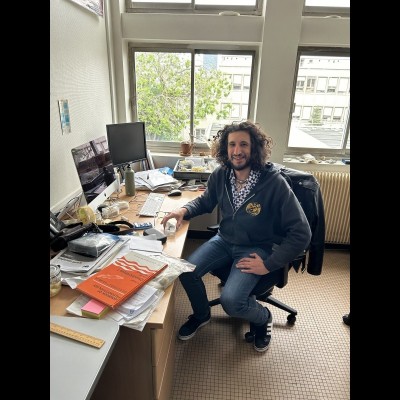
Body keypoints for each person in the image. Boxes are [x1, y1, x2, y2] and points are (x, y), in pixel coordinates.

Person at [161, 120, 311, 352]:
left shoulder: (274, 184)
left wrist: (269, 263)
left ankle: (263, 317)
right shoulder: (222, 174)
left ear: (255, 149)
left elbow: (302, 232)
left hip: (255, 248)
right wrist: (184, 210)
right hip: (224, 240)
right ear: (225, 148)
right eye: (232, 144)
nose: (237, 151)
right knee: (186, 271)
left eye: (244, 144)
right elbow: (206, 200)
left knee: (232, 302)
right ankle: (202, 315)